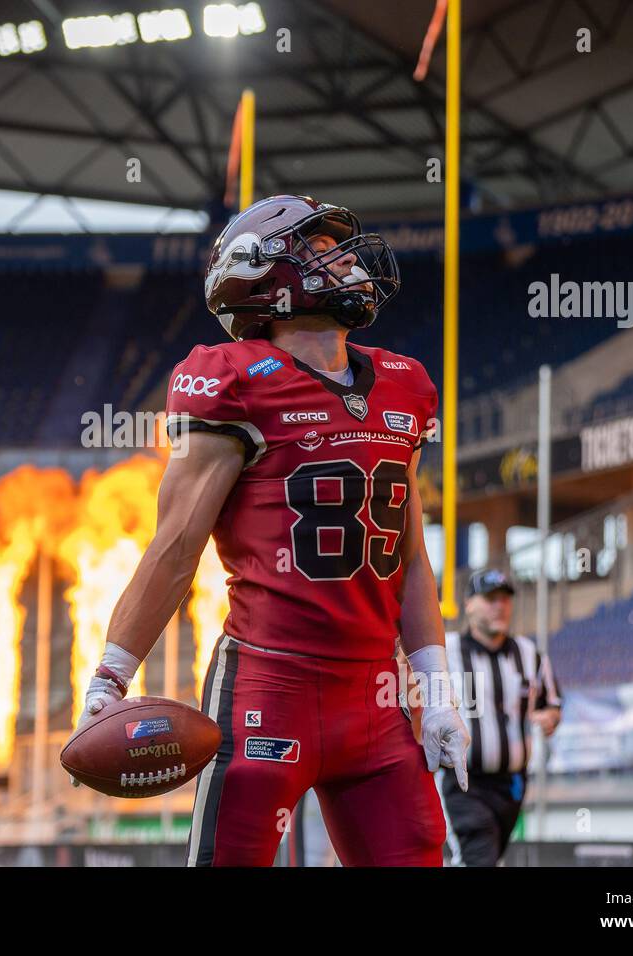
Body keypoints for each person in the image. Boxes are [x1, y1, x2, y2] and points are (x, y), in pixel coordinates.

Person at [71, 195, 467, 866]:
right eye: (315, 247)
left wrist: (439, 688)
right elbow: (175, 549)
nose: (342, 259)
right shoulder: (233, 382)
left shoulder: (405, 385)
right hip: (268, 684)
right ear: (262, 273)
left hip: (375, 693)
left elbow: (410, 558)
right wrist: (111, 675)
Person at [440, 568, 561, 866]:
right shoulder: (447, 651)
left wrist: (550, 718)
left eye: (505, 599)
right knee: (477, 857)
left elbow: (553, 703)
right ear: (469, 603)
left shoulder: (529, 654)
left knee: (486, 859)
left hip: (512, 785)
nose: (500, 606)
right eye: (491, 598)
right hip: (464, 783)